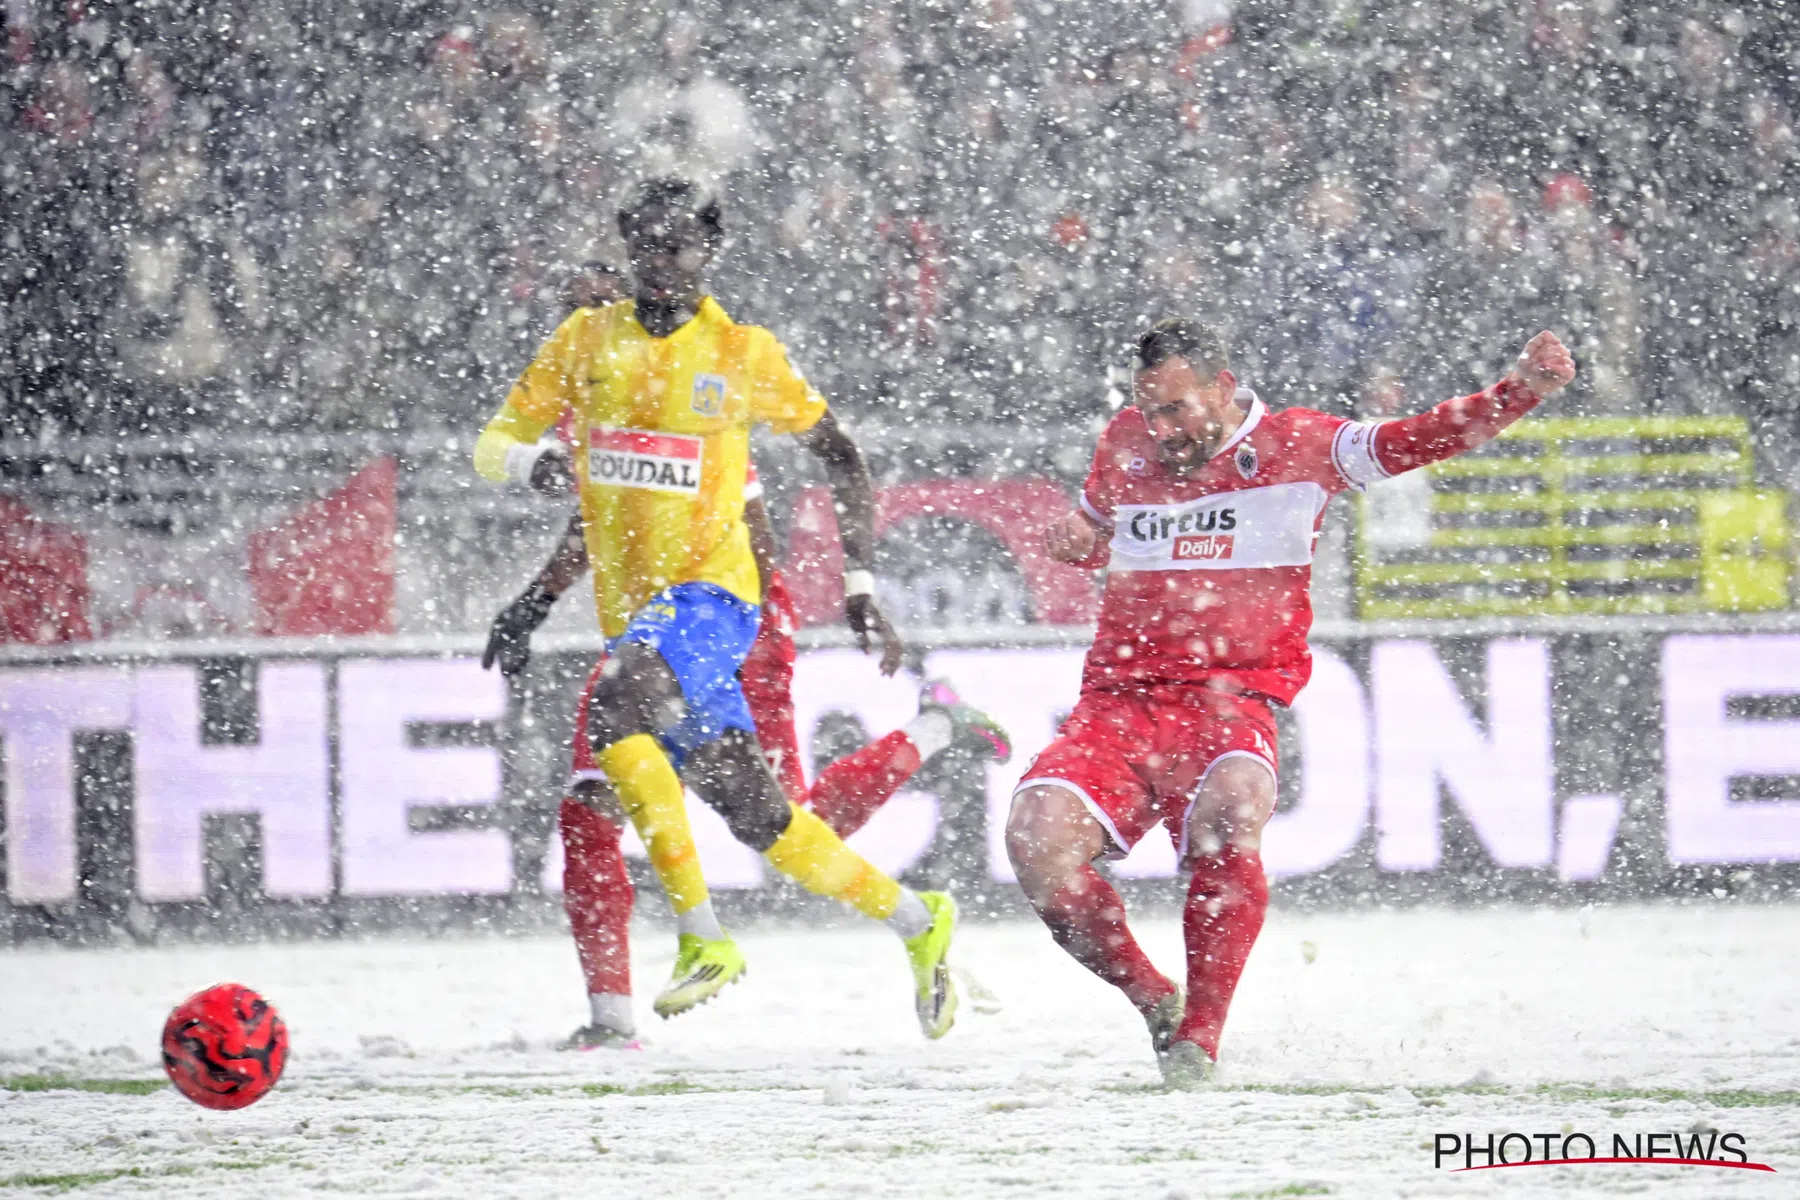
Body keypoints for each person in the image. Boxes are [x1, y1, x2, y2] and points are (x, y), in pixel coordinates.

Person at [1010, 319, 1576, 1086]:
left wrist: (1521, 392)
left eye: (1177, 409)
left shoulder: (1304, 445)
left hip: (1228, 702)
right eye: (1150, 412)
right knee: (1035, 845)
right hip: (1118, 702)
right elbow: (1107, 525)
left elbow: (1418, 438)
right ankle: (1155, 1002)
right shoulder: (1126, 439)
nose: (1162, 430)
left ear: (1222, 387)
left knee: (1232, 810)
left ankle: (1197, 1046)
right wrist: (1080, 533)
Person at [472, 177, 962, 1039]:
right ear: (630, 252)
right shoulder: (585, 344)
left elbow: (841, 457)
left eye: (682, 247)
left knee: (618, 709)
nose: (666, 263)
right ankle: (918, 921)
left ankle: (700, 940)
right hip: (637, 616)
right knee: (765, 819)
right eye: (650, 247)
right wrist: (532, 471)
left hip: (717, 599)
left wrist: (860, 587)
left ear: (709, 252)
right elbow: (491, 445)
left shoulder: (742, 353)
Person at [483, 477, 1012, 1049]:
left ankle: (937, 726)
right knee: (588, 814)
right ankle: (611, 1023)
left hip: (730, 618)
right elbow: (595, 509)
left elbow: (830, 464)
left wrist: (852, 588)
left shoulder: (704, 404)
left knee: (796, 827)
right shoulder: (597, 409)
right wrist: (536, 597)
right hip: (647, 634)